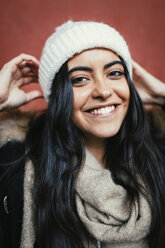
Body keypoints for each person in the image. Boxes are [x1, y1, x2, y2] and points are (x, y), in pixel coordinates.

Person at [0, 20, 165, 248]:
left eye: (114, 73)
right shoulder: (14, 165)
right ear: (57, 96)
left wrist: (163, 96)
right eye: (80, 79)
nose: (104, 91)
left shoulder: (157, 155)